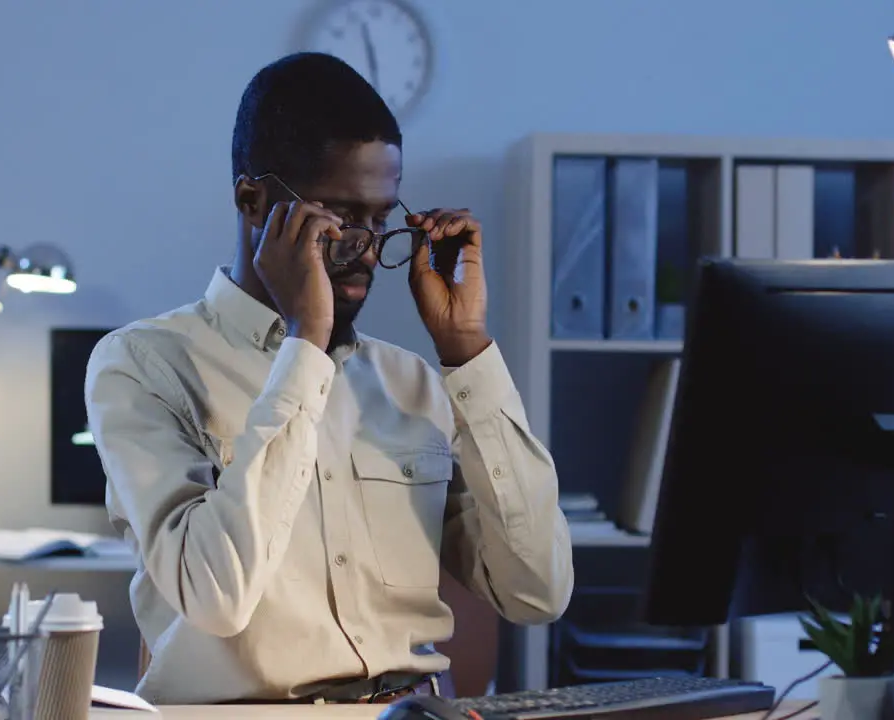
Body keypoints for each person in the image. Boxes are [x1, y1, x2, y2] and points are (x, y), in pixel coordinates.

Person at [85, 52, 574, 705]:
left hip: (412, 713)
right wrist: (305, 343)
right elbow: (214, 598)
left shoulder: (414, 383)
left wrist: (467, 352)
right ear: (252, 200)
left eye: (379, 219)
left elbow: (537, 591)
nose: (366, 248)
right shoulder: (143, 366)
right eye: (339, 217)